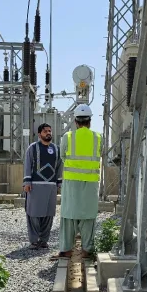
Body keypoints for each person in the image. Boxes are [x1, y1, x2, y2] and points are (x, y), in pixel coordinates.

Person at [51, 104, 103, 260]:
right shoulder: (98, 137)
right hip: (91, 182)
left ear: (75, 121)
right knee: (88, 217)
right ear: (90, 121)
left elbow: (62, 156)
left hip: (72, 182)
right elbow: (99, 153)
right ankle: (87, 250)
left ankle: (66, 249)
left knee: (69, 216)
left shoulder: (67, 137)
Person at [23, 123, 62, 250]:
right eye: (45, 131)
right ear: (39, 134)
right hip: (35, 185)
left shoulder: (56, 149)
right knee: (33, 213)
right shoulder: (32, 148)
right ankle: (34, 241)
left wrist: (59, 183)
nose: (48, 133)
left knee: (48, 214)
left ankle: (44, 240)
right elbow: (28, 164)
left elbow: (59, 167)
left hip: (51, 186)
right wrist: (27, 182)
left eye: (50, 131)